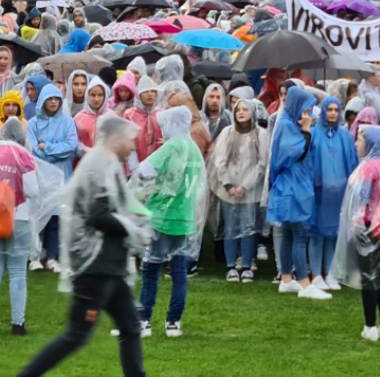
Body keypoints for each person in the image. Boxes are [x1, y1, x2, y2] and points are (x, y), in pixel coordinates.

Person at [15, 116, 151, 377]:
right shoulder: (99, 165)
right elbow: (97, 215)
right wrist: (130, 228)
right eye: (131, 141)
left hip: (110, 268)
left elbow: (116, 206)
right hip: (94, 268)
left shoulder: (108, 163)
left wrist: (138, 214)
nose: (134, 147)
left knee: (131, 327)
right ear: (116, 138)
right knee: (76, 335)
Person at [332, 125, 380, 342]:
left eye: (359, 140)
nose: (356, 144)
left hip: (369, 228)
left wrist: (354, 224)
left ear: (370, 143)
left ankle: (370, 326)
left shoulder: (368, 167)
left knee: (369, 279)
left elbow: (361, 198)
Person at [135, 106, 206, 338]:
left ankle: (143, 321)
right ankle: (173, 323)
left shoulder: (172, 147)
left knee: (151, 270)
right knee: (179, 272)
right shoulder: (194, 149)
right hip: (184, 218)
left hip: (161, 217)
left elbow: (145, 170)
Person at [266, 86, 331, 300]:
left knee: (288, 233)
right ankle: (304, 283)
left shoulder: (287, 123)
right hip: (293, 187)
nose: (310, 114)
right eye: (307, 108)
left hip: (293, 186)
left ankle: (287, 278)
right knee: (299, 234)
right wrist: (306, 131)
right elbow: (295, 153)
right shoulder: (287, 126)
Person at [206, 99, 268, 283]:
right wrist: (229, 185)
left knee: (249, 228)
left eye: (245, 109)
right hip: (229, 191)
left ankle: (247, 265)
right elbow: (220, 161)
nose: (241, 112)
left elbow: (261, 164)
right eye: (238, 109)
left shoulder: (260, 135)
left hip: (250, 191)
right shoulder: (227, 133)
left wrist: (245, 186)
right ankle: (231, 266)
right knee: (231, 228)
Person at [309, 96, 358, 291]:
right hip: (318, 191)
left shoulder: (345, 136)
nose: (332, 113)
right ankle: (316, 273)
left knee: (333, 234)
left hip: (338, 193)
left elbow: (352, 162)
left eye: (336, 110)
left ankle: (330, 272)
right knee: (316, 233)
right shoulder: (313, 134)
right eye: (329, 109)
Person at [27, 83, 78, 271]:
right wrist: (53, 151)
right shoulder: (33, 123)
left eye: (57, 99)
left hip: (62, 176)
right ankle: (35, 255)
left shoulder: (67, 121)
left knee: (56, 217)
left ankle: (52, 256)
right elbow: (31, 148)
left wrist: (46, 148)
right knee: (38, 216)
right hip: (40, 175)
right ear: (43, 101)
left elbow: (71, 146)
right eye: (50, 99)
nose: (54, 102)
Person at [0, 137, 40, 335]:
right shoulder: (25, 155)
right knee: (17, 272)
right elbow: (32, 190)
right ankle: (18, 324)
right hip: (20, 217)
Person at [123, 75, 162, 162]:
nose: (149, 94)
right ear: (139, 95)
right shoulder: (130, 115)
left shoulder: (162, 114)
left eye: (153, 91)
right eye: (145, 91)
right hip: (136, 161)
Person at [73, 77, 109, 150]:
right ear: (87, 95)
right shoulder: (78, 118)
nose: (96, 99)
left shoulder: (112, 117)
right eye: (93, 95)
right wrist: (83, 149)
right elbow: (74, 140)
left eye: (100, 95)